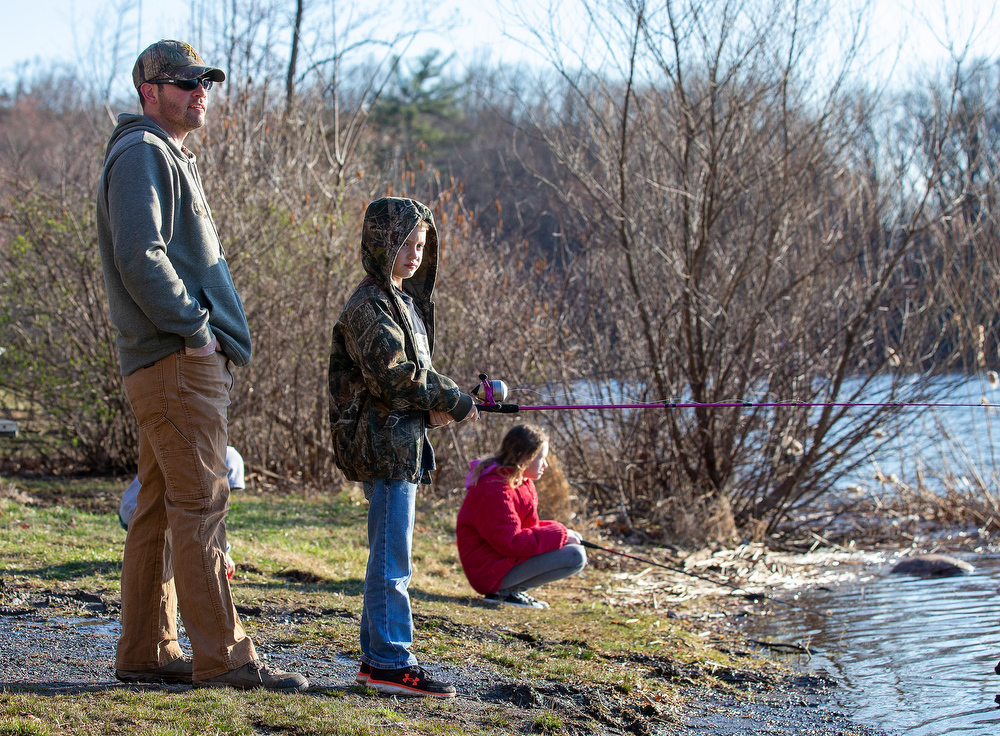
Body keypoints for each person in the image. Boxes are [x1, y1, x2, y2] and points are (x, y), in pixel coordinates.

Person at [96, 40, 306, 692]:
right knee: (201, 507)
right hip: (178, 364)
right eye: (183, 81)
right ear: (148, 91)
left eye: (204, 80)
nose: (199, 90)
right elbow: (141, 254)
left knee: (160, 509)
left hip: (169, 364)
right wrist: (195, 331)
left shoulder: (159, 154)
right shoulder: (142, 153)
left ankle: (146, 651)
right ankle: (226, 659)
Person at [328, 197, 479, 698]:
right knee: (393, 562)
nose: (415, 254)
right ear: (380, 242)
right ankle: (391, 661)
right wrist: (451, 399)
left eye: (421, 245)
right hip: (383, 450)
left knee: (388, 556)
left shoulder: (401, 302)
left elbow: (415, 382)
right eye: (406, 243)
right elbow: (396, 378)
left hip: (400, 447)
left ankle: (377, 660)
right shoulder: (368, 306)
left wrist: (445, 403)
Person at [456, 424, 587, 609]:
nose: (546, 465)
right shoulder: (494, 490)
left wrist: (564, 533)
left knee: (574, 545)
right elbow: (512, 543)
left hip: (503, 562)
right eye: (541, 458)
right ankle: (504, 592)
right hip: (489, 572)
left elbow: (525, 528)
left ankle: (511, 591)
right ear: (523, 457)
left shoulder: (521, 481)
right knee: (575, 556)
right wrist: (561, 535)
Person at [119, 446, 245, 579]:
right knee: (187, 533)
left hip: (127, 510)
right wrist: (224, 552)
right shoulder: (195, 482)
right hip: (139, 513)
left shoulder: (183, 461)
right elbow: (203, 522)